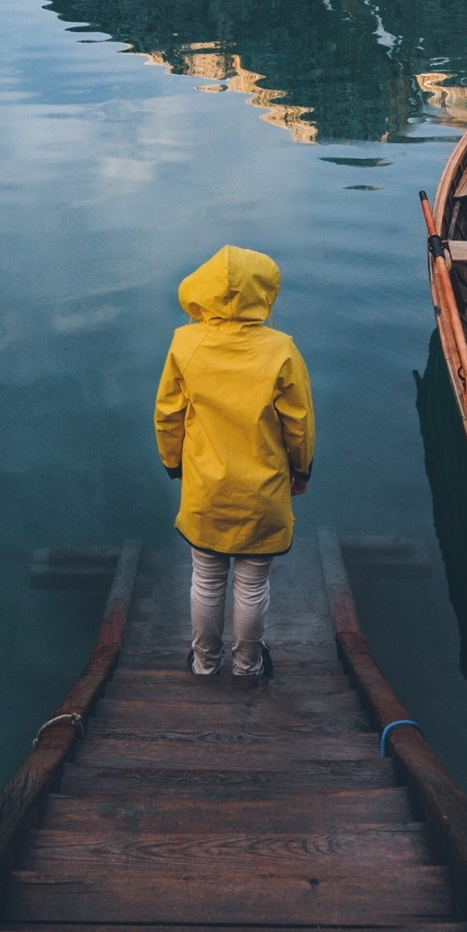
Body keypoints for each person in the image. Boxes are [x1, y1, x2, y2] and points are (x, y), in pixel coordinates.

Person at [154, 243, 315, 681]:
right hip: (262, 493)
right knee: (253, 586)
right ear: (263, 292)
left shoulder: (184, 344)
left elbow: (168, 415)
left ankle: (205, 663)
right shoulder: (281, 350)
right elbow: (298, 423)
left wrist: (174, 464)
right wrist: (300, 471)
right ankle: (248, 665)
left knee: (206, 581)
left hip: (206, 490)